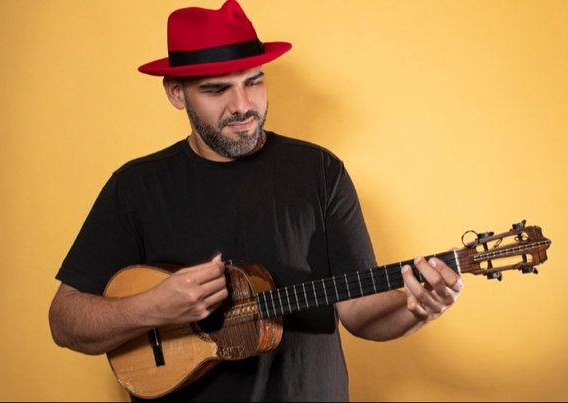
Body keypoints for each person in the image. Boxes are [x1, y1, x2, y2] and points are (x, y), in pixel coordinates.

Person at [48, 1, 463, 401]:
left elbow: (359, 312)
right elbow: (65, 321)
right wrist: (154, 307)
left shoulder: (320, 172)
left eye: (253, 81)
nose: (243, 106)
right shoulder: (135, 187)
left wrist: (420, 307)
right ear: (177, 93)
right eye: (217, 90)